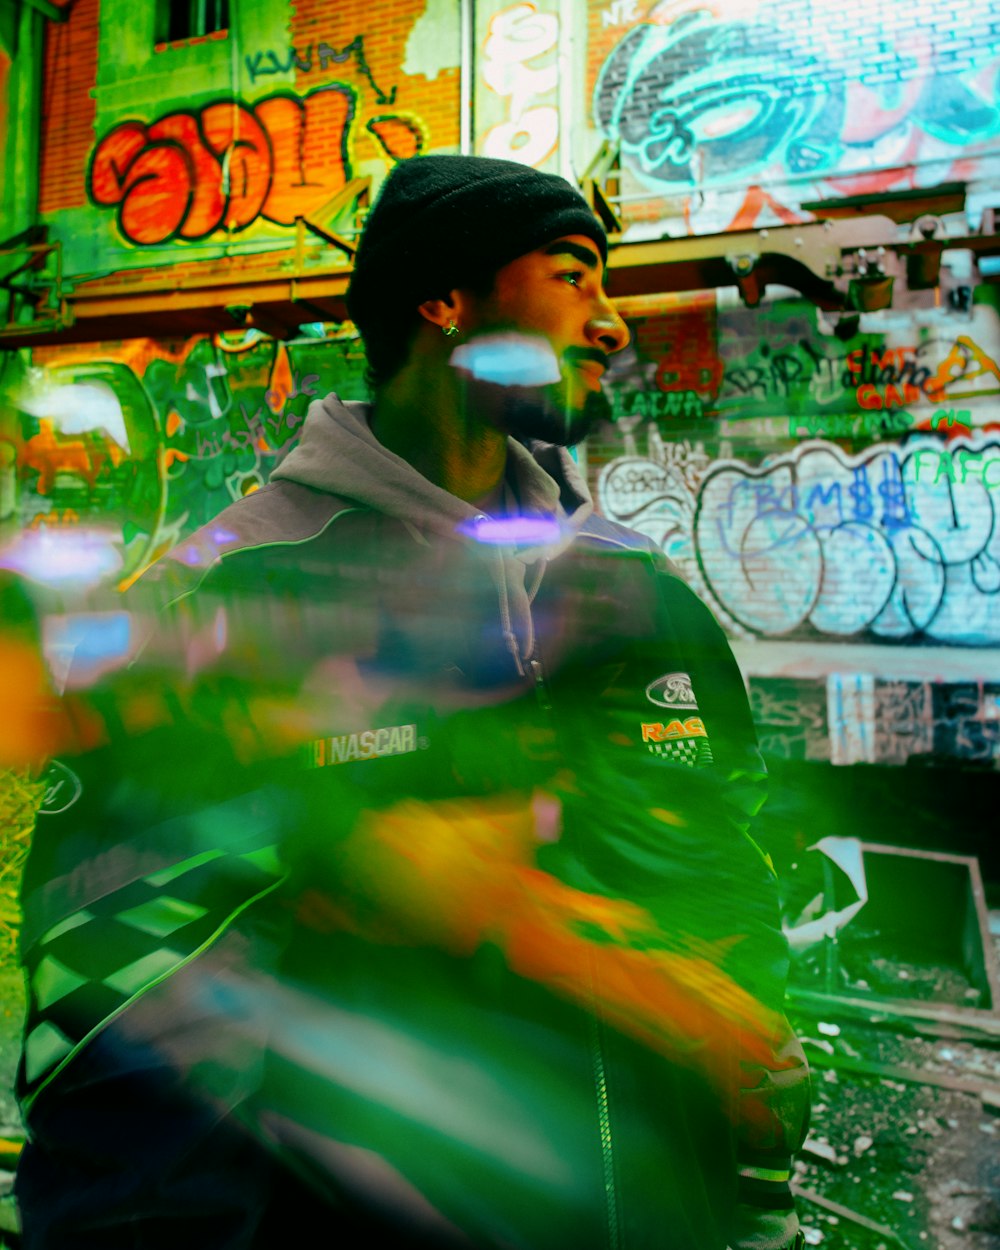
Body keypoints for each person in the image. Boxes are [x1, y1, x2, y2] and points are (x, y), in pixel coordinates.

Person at [15, 155, 809, 1249]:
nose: (612, 325)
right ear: (444, 300)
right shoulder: (227, 600)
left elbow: (727, 897)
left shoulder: (640, 590)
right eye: (574, 275)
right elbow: (118, 1007)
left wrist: (755, 1190)